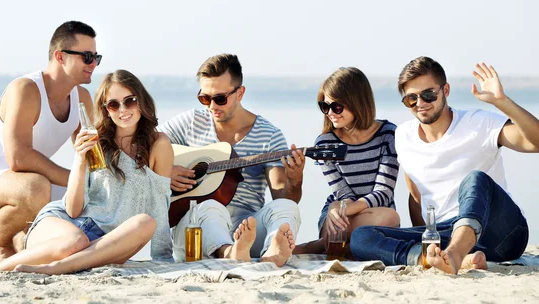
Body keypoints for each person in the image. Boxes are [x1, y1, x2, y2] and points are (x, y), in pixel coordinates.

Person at [0, 70, 174, 278]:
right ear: (106, 110)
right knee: (74, 241)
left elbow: (160, 203)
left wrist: (163, 257)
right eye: (113, 105)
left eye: (130, 101)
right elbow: (73, 209)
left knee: (145, 222)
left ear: (141, 100)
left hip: (107, 241)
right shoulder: (97, 144)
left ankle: (57, 266)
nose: (123, 110)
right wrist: (79, 160)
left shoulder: (158, 144)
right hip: (65, 225)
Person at [350, 57, 539, 275]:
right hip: (444, 234)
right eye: (411, 98)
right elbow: (416, 197)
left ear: (446, 90)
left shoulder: (479, 123)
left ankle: (455, 255)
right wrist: (427, 242)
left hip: (500, 233)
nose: (420, 103)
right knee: (361, 236)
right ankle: (431, 259)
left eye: (428, 94)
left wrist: (502, 102)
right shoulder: (403, 135)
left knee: (475, 179)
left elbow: (535, 142)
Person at [0, 21, 100, 264]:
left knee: (95, 193)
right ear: (60, 56)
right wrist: (73, 180)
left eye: (97, 57)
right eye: (87, 57)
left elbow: (95, 157)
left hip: (29, 185)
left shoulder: (82, 98)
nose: (93, 64)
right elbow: (19, 158)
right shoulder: (26, 89)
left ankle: (24, 240)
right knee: (37, 186)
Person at [159, 54, 305, 267]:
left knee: (287, 206)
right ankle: (229, 252)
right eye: (204, 98)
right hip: (195, 233)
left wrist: (295, 180)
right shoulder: (191, 122)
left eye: (219, 99)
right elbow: (144, 143)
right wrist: (165, 170)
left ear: (240, 93)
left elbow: (282, 195)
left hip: (248, 231)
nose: (211, 106)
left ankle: (273, 249)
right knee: (209, 206)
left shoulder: (269, 135)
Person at [294, 67, 400, 255]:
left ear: (357, 102)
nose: (330, 113)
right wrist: (337, 209)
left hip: (375, 214)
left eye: (336, 106)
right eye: (325, 106)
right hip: (339, 215)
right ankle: (338, 244)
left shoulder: (388, 134)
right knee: (341, 226)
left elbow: (383, 192)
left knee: (390, 217)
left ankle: (318, 246)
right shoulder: (325, 143)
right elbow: (342, 193)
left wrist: (345, 210)